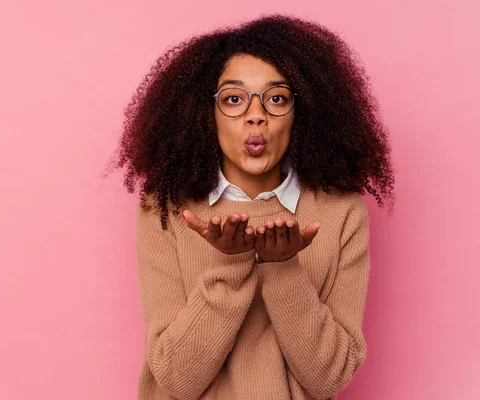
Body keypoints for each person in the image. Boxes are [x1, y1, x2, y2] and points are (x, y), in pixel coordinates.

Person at [104, 13, 395, 400]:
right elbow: (176, 379)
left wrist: (283, 268)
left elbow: (329, 379)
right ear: (204, 114)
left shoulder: (341, 212)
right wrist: (231, 262)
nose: (255, 115)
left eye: (276, 98)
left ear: (301, 112)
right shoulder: (166, 208)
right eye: (234, 99)